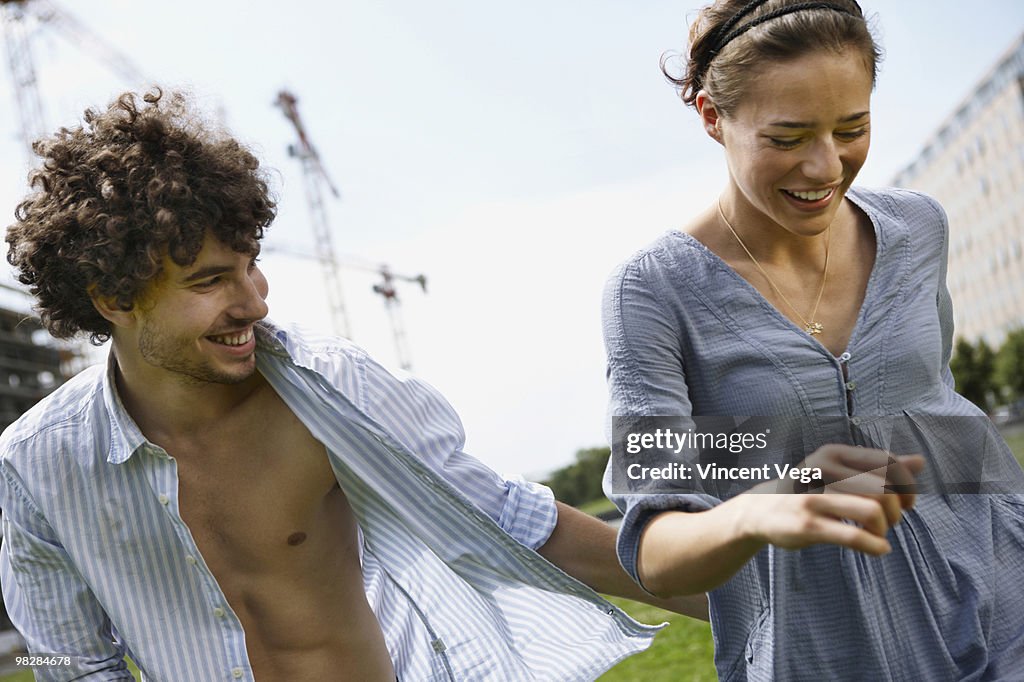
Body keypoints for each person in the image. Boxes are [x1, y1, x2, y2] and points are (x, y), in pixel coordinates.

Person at [0, 89, 708, 681]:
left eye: (250, 264)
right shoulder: (36, 465)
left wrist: (755, 593)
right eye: (210, 281)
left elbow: (513, 522)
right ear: (111, 298)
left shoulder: (327, 388)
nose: (253, 300)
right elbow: (73, 662)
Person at [602, 1, 1024, 680]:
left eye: (852, 128)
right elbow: (654, 547)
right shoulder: (651, 293)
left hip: (1005, 596)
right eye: (788, 138)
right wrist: (758, 507)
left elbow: (935, 406)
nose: (826, 167)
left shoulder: (919, 228)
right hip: (832, 650)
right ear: (714, 118)